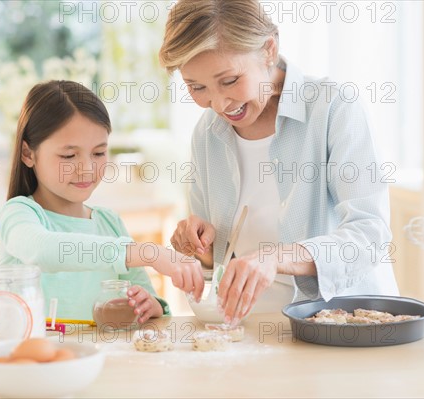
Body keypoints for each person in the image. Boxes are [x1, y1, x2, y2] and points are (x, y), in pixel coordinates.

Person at [160, 0, 399, 325]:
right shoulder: (207, 133)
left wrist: (278, 256)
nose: (218, 103)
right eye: (196, 87)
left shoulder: (332, 108)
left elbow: (370, 234)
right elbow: (215, 262)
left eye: (229, 81)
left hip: (337, 327)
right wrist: (201, 247)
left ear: (269, 50)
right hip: (244, 333)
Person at [0, 80, 204, 322]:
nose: (87, 169)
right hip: (32, 357)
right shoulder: (19, 214)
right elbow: (43, 250)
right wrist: (149, 253)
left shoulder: (109, 222)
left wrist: (150, 306)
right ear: (28, 153)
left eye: (98, 153)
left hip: (99, 358)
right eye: (69, 155)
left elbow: (146, 297)